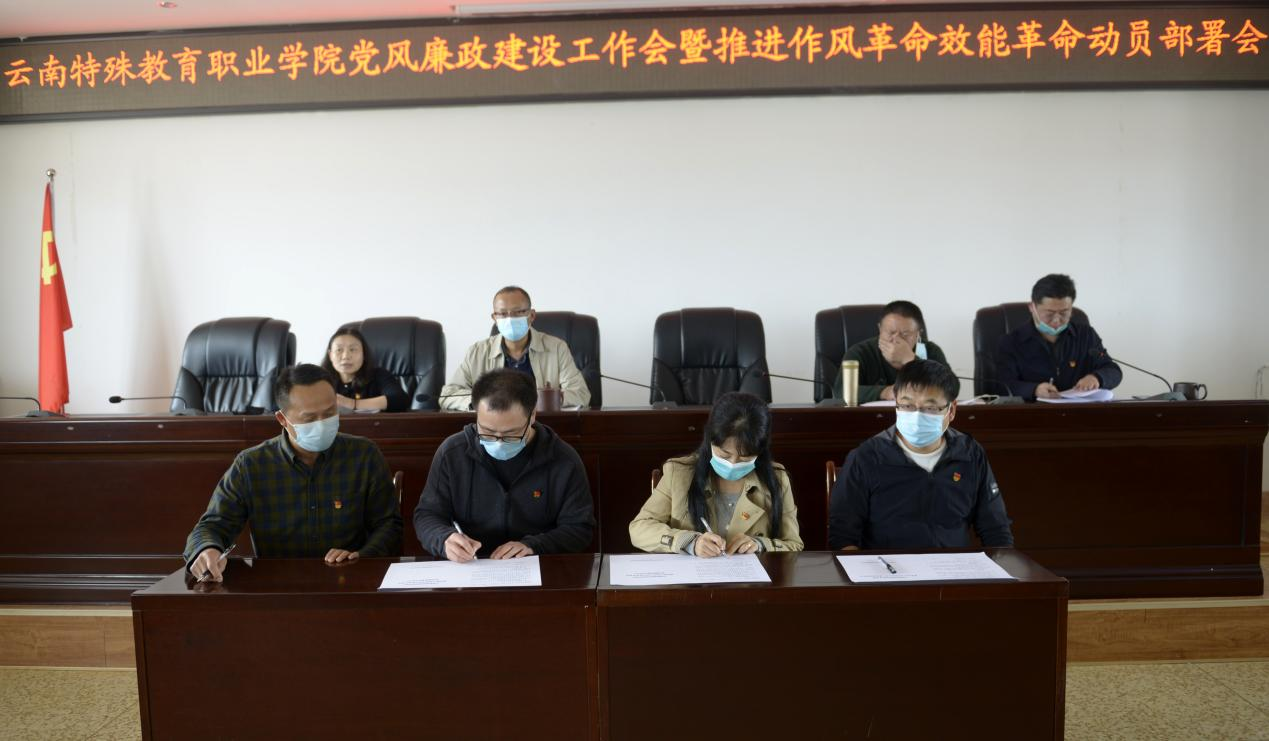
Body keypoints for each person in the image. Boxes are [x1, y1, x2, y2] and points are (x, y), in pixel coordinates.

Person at [183, 364, 403, 582]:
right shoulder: (251, 465)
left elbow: (389, 526)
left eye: (329, 413)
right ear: (282, 419)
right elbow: (212, 526)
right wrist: (207, 549)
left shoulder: (364, 455)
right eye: (309, 418)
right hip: (278, 587)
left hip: (350, 582)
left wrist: (361, 556)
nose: (321, 424)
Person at [829, 359, 1013, 550]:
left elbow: (996, 530)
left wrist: (1002, 564)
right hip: (886, 565)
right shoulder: (867, 457)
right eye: (907, 406)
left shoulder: (970, 454)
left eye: (930, 408)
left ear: (951, 411)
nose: (916, 416)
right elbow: (842, 537)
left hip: (952, 565)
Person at [414, 368, 595, 561]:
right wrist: (444, 539)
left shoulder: (563, 460)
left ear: (532, 415)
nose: (499, 442)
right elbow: (427, 515)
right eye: (487, 431)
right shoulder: (452, 453)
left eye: (511, 434)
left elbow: (580, 528)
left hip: (535, 564)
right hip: (471, 565)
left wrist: (535, 545)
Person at [630, 392, 803, 556]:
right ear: (710, 440)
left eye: (745, 457)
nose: (733, 463)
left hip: (748, 576)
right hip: (692, 576)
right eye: (724, 455)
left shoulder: (777, 480)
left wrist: (760, 545)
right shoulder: (680, 474)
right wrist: (689, 542)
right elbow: (639, 528)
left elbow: (793, 544)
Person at [439, 286, 590, 411]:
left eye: (518, 312)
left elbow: (581, 394)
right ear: (494, 318)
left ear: (531, 315)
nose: (510, 319)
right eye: (502, 314)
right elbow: (448, 394)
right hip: (493, 428)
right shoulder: (477, 351)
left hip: (543, 426)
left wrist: (545, 399)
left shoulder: (556, 348)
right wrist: (482, 402)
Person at [995, 273, 1122, 401]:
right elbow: (1002, 385)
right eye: (1049, 313)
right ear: (1032, 307)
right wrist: (1034, 389)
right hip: (1034, 411)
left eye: (1064, 313)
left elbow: (1112, 370)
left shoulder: (1086, 335)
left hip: (1079, 410)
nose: (1057, 320)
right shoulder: (1011, 342)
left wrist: (1097, 378)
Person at [832, 300, 951, 403]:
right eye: (890, 332)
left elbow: (950, 388)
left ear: (918, 334)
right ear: (880, 329)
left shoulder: (931, 351)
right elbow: (840, 391)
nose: (896, 339)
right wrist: (885, 392)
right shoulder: (860, 352)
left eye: (905, 334)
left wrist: (910, 360)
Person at [320, 327, 409, 413]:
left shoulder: (378, 375)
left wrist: (352, 403)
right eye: (339, 350)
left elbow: (400, 400)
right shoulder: (321, 380)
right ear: (330, 355)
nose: (346, 356)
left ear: (363, 354)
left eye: (353, 349)